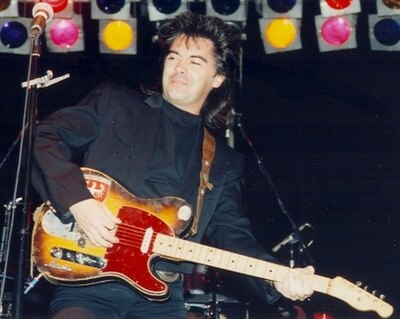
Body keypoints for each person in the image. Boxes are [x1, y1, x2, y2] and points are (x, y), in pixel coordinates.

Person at [31, 11, 314, 319]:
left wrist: (276, 277)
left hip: (162, 298)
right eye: (174, 58)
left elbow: (231, 234)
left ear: (218, 78)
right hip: (88, 282)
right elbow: (45, 137)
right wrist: (78, 201)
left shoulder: (223, 161)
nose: (180, 68)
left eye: (195, 62)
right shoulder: (116, 103)